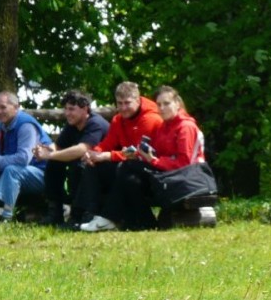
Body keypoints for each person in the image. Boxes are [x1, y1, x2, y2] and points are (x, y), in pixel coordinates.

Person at [80, 86, 205, 232]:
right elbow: (154, 153)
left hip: (186, 180)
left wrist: (152, 160)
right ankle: (143, 223)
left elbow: (184, 164)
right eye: (159, 104)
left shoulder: (184, 127)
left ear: (177, 104)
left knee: (128, 167)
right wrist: (94, 153)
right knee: (129, 177)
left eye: (166, 104)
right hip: (169, 175)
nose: (162, 108)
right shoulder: (165, 126)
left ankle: (108, 217)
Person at [72, 81, 163, 227]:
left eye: (127, 103)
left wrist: (107, 156)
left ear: (138, 100)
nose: (123, 108)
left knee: (124, 168)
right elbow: (108, 143)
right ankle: (85, 215)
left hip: (151, 170)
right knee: (90, 166)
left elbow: (138, 152)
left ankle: (108, 217)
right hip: (130, 165)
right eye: (119, 103)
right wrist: (93, 153)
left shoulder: (150, 119)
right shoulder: (118, 119)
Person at [0, 91, 52, 223]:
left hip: (42, 174)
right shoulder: (1, 126)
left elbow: (23, 159)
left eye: (3, 107)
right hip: (19, 172)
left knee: (11, 170)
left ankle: (6, 216)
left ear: (16, 107)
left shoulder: (26, 125)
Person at [32, 90, 109, 226]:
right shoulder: (72, 124)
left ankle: (78, 215)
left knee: (79, 166)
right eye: (66, 109)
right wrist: (44, 149)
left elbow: (82, 149)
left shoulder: (95, 124)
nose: (67, 113)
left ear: (85, 109)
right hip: (88, 164)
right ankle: (55, 213)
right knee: (54, 163)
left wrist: (49, 155)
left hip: (105, 169)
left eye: (72, 109)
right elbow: (58, 146)